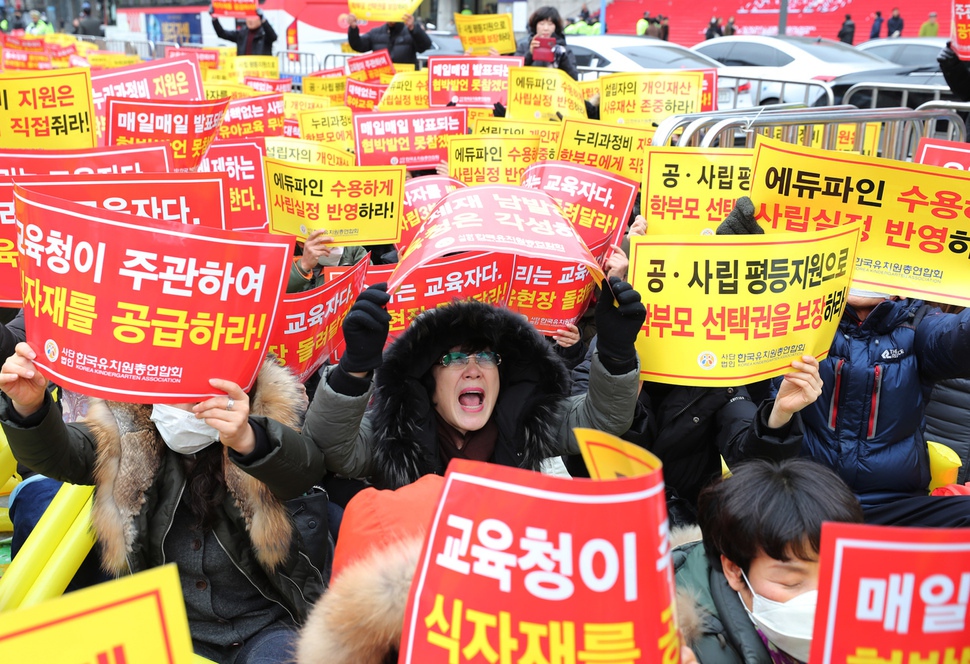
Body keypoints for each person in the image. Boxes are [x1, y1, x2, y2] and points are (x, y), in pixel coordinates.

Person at [0, 343, 329, 662]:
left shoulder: (269, 414)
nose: (188, 403)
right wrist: (29, 407)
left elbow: (303, 469)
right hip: (166, 627)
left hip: (267, 626)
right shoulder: (127, 426)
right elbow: (62, 454)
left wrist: (248, 439)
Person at [727, 197, 970, 527]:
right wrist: (736, 251)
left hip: (892, 507)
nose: (863, 267)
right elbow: (729, 302)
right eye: (853, 255)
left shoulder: (920, 325)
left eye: (876, 257)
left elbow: (958, 338)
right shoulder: (789, 317)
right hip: (803, 501)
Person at [302, 278, 644, 491]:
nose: (472, 370)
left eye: (485, 357)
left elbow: (603, 420)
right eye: (453, 360)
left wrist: (615, 354)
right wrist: (353, 371)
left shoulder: (529, 420)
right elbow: (333, 449)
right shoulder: (396, 431)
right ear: (429, 386)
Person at [675, 458, 864, 663]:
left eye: (834, 578)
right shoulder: (680, 647)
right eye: (791, 582)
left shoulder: (877, 618)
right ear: (734, 570)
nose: (819, 600)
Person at [288, 230, 368, 293]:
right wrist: (303, 266)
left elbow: (369, 290)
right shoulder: (287, 253)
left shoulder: (355, 252)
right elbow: (277, 294)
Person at [515, 6, 579, 80]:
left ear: (556, 27)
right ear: (535, 26)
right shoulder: (524, 47)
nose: (546, 28)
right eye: (542, 24)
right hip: (529, 89)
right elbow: (513, 72)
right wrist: (530, 53)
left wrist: (562, 57)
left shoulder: (564, 50)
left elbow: (574, 78)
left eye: (550, 24)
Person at [346, 12, 431, 66]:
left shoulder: (410, 31)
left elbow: (425, 45)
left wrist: (413, 28)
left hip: (405, 82)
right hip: (383, 81)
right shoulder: (376, 32)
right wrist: (353, 29)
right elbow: (358, 45)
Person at [210, 5, 277, 56]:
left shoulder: (264, 33)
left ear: (260, 20)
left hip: (260, 71)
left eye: (253, 18)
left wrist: (264, 20)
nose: (250, 20)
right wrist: (214, 19)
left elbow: (273, 37)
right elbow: (222, 33)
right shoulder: (242, 33)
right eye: (248, 17)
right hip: (244, 70)